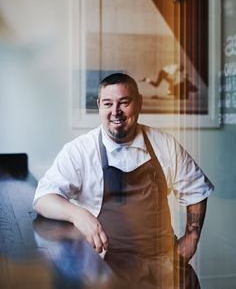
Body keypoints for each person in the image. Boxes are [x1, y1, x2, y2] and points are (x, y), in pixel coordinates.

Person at [33, 73, 214, 289]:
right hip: (108, 270)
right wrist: (78, 215)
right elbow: (43, 198)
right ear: (99, 106)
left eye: (124, 102)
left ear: (139, 103)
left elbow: (196, 188)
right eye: (108, 104)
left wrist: (192, 236)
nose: (115, 112)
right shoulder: (80, 151)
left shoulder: (164, 144)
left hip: (167, 265)